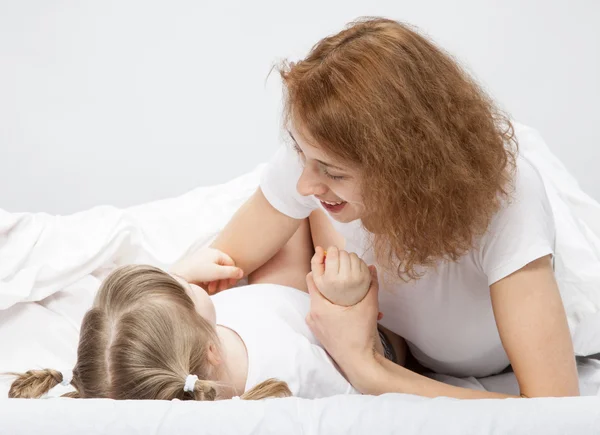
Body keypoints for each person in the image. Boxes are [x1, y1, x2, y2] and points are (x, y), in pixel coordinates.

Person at [173, 17, 580, 399]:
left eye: (333, 173)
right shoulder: (316, 155)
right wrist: (176, 282)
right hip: (397, 332)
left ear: (404, 170)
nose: (304, 182)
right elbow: (219, 269)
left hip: (487, 341)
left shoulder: (507, 204)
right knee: (292, 227)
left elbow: (554, 405)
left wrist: (368, 369)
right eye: (301, 154)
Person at [8, 249, 399, 400]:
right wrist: (349, 304)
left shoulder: (178, 352)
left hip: (275, 303)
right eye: (183, 290)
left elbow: (148, 327)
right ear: (211, 348)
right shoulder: (293, 370)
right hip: (344, 328)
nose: (184, 283)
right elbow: (369, 372)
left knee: (289, 210)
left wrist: (178, 276)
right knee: (307, 210)